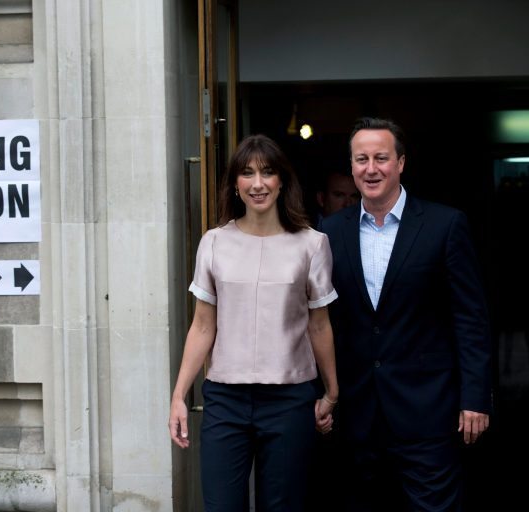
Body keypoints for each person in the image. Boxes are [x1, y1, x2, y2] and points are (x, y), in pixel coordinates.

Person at [320, 117, 492, 511]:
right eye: (361, 159)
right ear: (351, 166)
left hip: (428, 410)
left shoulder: (444, 225)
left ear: (400, 163)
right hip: (356, 414)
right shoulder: (328, 232)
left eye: (381, 158)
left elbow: (470, 320)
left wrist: (476, 397)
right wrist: (322, 394)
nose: (371, 168)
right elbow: (320, 320)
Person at [168, 134, 339, 512]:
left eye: (267, 172)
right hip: (225, 398)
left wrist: (331, 392)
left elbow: (319, 325)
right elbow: (202, 326)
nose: (257, 183)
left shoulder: (312, 244)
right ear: (235, 183)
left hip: (290, 399)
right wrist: (179, 395)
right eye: (247, 173)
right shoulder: (214, 242)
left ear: (282, 181)